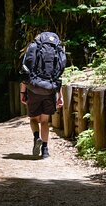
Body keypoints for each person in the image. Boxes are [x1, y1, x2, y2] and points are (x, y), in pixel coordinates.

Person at [19, 31, 66, 159]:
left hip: (34, 89)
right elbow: (58, 75)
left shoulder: (33, 48)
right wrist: (60, 96)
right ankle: (45, 151)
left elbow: (25, 73)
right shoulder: (56, 49)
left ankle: (36, 137)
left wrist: (22, 92)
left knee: (34, 119)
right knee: (44, 121)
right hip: (50, 89)